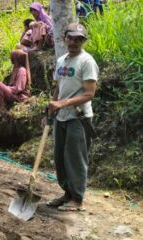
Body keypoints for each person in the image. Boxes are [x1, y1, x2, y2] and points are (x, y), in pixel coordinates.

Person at [45, 23, 99, 212]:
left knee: (75, 159)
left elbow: (89, 94)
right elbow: (58, 87)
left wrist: (62, 104)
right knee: (60, 158)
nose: (74, 42)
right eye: (71, 38)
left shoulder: (87, 61)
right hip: (61, 117)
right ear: (64, 38)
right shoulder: (61, 61)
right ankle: (67, 193)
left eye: (79, 39)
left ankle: (77, 199)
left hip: (79, 117)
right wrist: (52, 106)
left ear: (84, 41)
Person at [0, 50, 31, 119]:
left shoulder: (22, 70)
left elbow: (19, 88)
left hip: (19, 95)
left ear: (16, 58)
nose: (11, 59)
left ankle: (2, 108)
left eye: (12, 57)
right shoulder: (15, 69)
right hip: (13, 92)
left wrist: (6, 88)